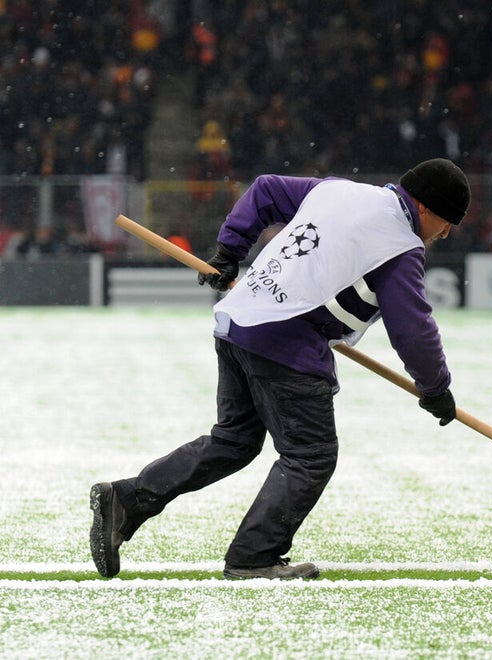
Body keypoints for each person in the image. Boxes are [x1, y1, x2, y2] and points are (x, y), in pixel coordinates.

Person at [89, 158, 471, 580]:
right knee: (311, 455)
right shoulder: (401, 245)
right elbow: (413, 327)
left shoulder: (339, 190)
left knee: (233, 441)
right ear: (424, 207)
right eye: (447, 222)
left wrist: (231, 250)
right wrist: (435, 386)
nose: (445, 233)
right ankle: (254, 556)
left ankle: (126, 500)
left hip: (239, 325)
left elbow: (266, 188)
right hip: (284, 345)